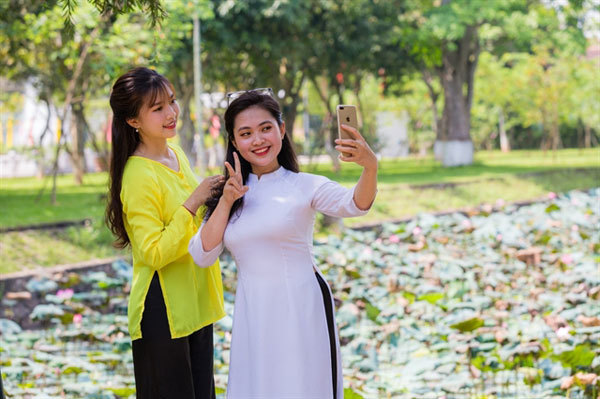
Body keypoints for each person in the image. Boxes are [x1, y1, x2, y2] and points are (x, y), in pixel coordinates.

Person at [188, 89, 378, 399]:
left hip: (301, 305)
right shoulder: (229, 192)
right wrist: (225, 201)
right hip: (254, 312)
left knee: (302, 387)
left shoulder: (304, 185)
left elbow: (356, 204)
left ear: (282, 130)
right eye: (246, 133)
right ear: (234, 142)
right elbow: (201, 254)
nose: (258, 140)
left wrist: (370, 168)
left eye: (266, 128)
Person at [105, 67, 225, 398]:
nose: (171, 113)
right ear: (133, 120)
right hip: (163, 310)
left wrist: (221, 193)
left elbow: (198, 218)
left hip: (196, 302)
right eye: (157, 108)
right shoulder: (138, 174)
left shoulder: (176, 154)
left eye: (171, 102)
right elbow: (153, 252)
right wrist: (193, 201)